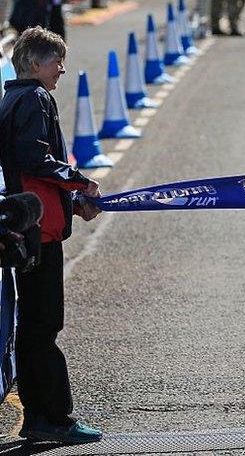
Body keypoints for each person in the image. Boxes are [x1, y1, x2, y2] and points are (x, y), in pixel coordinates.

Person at [0, 27, 103, 444]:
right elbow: (36, 160)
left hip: (28, 225)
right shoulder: (35, 98)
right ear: (32, 63)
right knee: (44, 324)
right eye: (54, 60)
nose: (61, 68)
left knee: (34, 326)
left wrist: (72, 203)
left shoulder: (12, 98)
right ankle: (52, 418)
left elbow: (29, 168)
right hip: (38, 231)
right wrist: (81, 183)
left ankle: (41, 415)